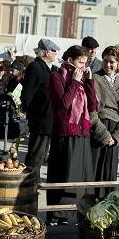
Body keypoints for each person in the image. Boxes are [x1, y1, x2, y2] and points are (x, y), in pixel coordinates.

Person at [47, 45, 98, 225]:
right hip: (64, 134)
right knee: (63, 174)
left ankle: (79, 214)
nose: (83, 67)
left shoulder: (82, 78)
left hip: (82, 133)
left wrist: (89, 82)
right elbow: (62, 106)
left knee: (81, 177)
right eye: (81, 63)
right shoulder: (56, 77)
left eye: (85, 64)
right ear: (70, 61)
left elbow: (93, 106)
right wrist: (75, 83)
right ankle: (57, 215)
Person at [90, 46, 119, 193]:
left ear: (118, 63)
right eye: (105, 61)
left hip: (114, 133)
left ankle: (106, 208)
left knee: (108, 173)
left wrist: (117, 136)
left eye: (112, 62)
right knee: (93, 172)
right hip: (97, 130)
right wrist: (103, 134)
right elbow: (90, 110)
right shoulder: (95, 79)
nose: (108, 65)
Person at [20, 38, 59, 182]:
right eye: (53, 51)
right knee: (36, 154)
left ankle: (33, 181)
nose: (55, 53)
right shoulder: (35, 67)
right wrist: (31, 113)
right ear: (46, 52)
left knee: (42, 154)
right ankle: (28, 183)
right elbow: (27, 93)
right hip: (40, 117)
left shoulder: (49, 68)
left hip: (48, 117)